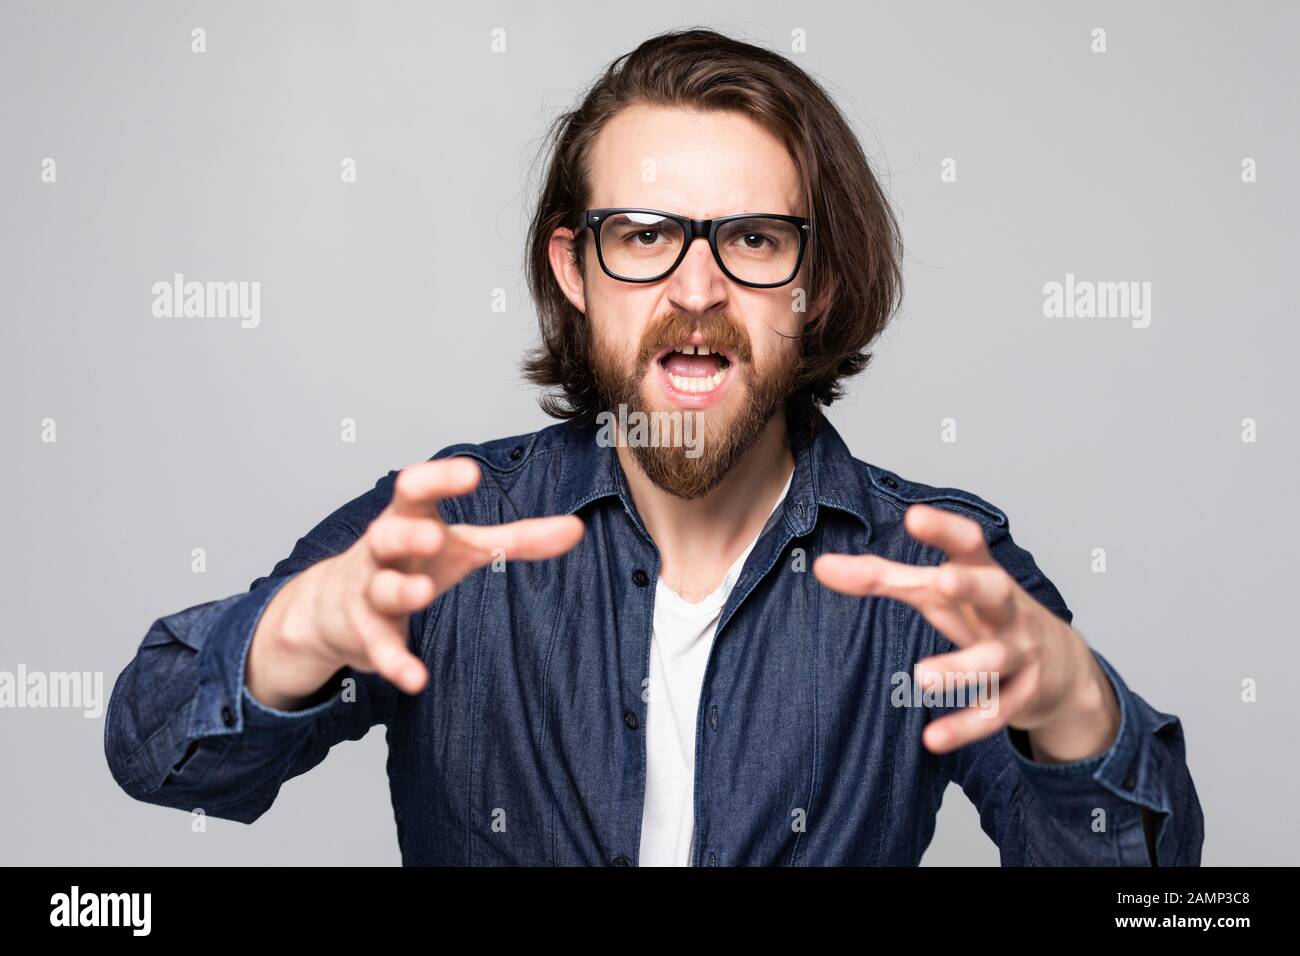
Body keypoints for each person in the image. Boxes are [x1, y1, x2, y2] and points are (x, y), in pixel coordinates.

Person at [105, 27, 1203, 866]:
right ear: (575, 272)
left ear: (813, 285)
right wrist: (288, 638)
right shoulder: (444, 529)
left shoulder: (933, 564)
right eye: (642, 236)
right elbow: (154, 751)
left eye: (754, 239)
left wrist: (1077, 717)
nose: (695, 286)